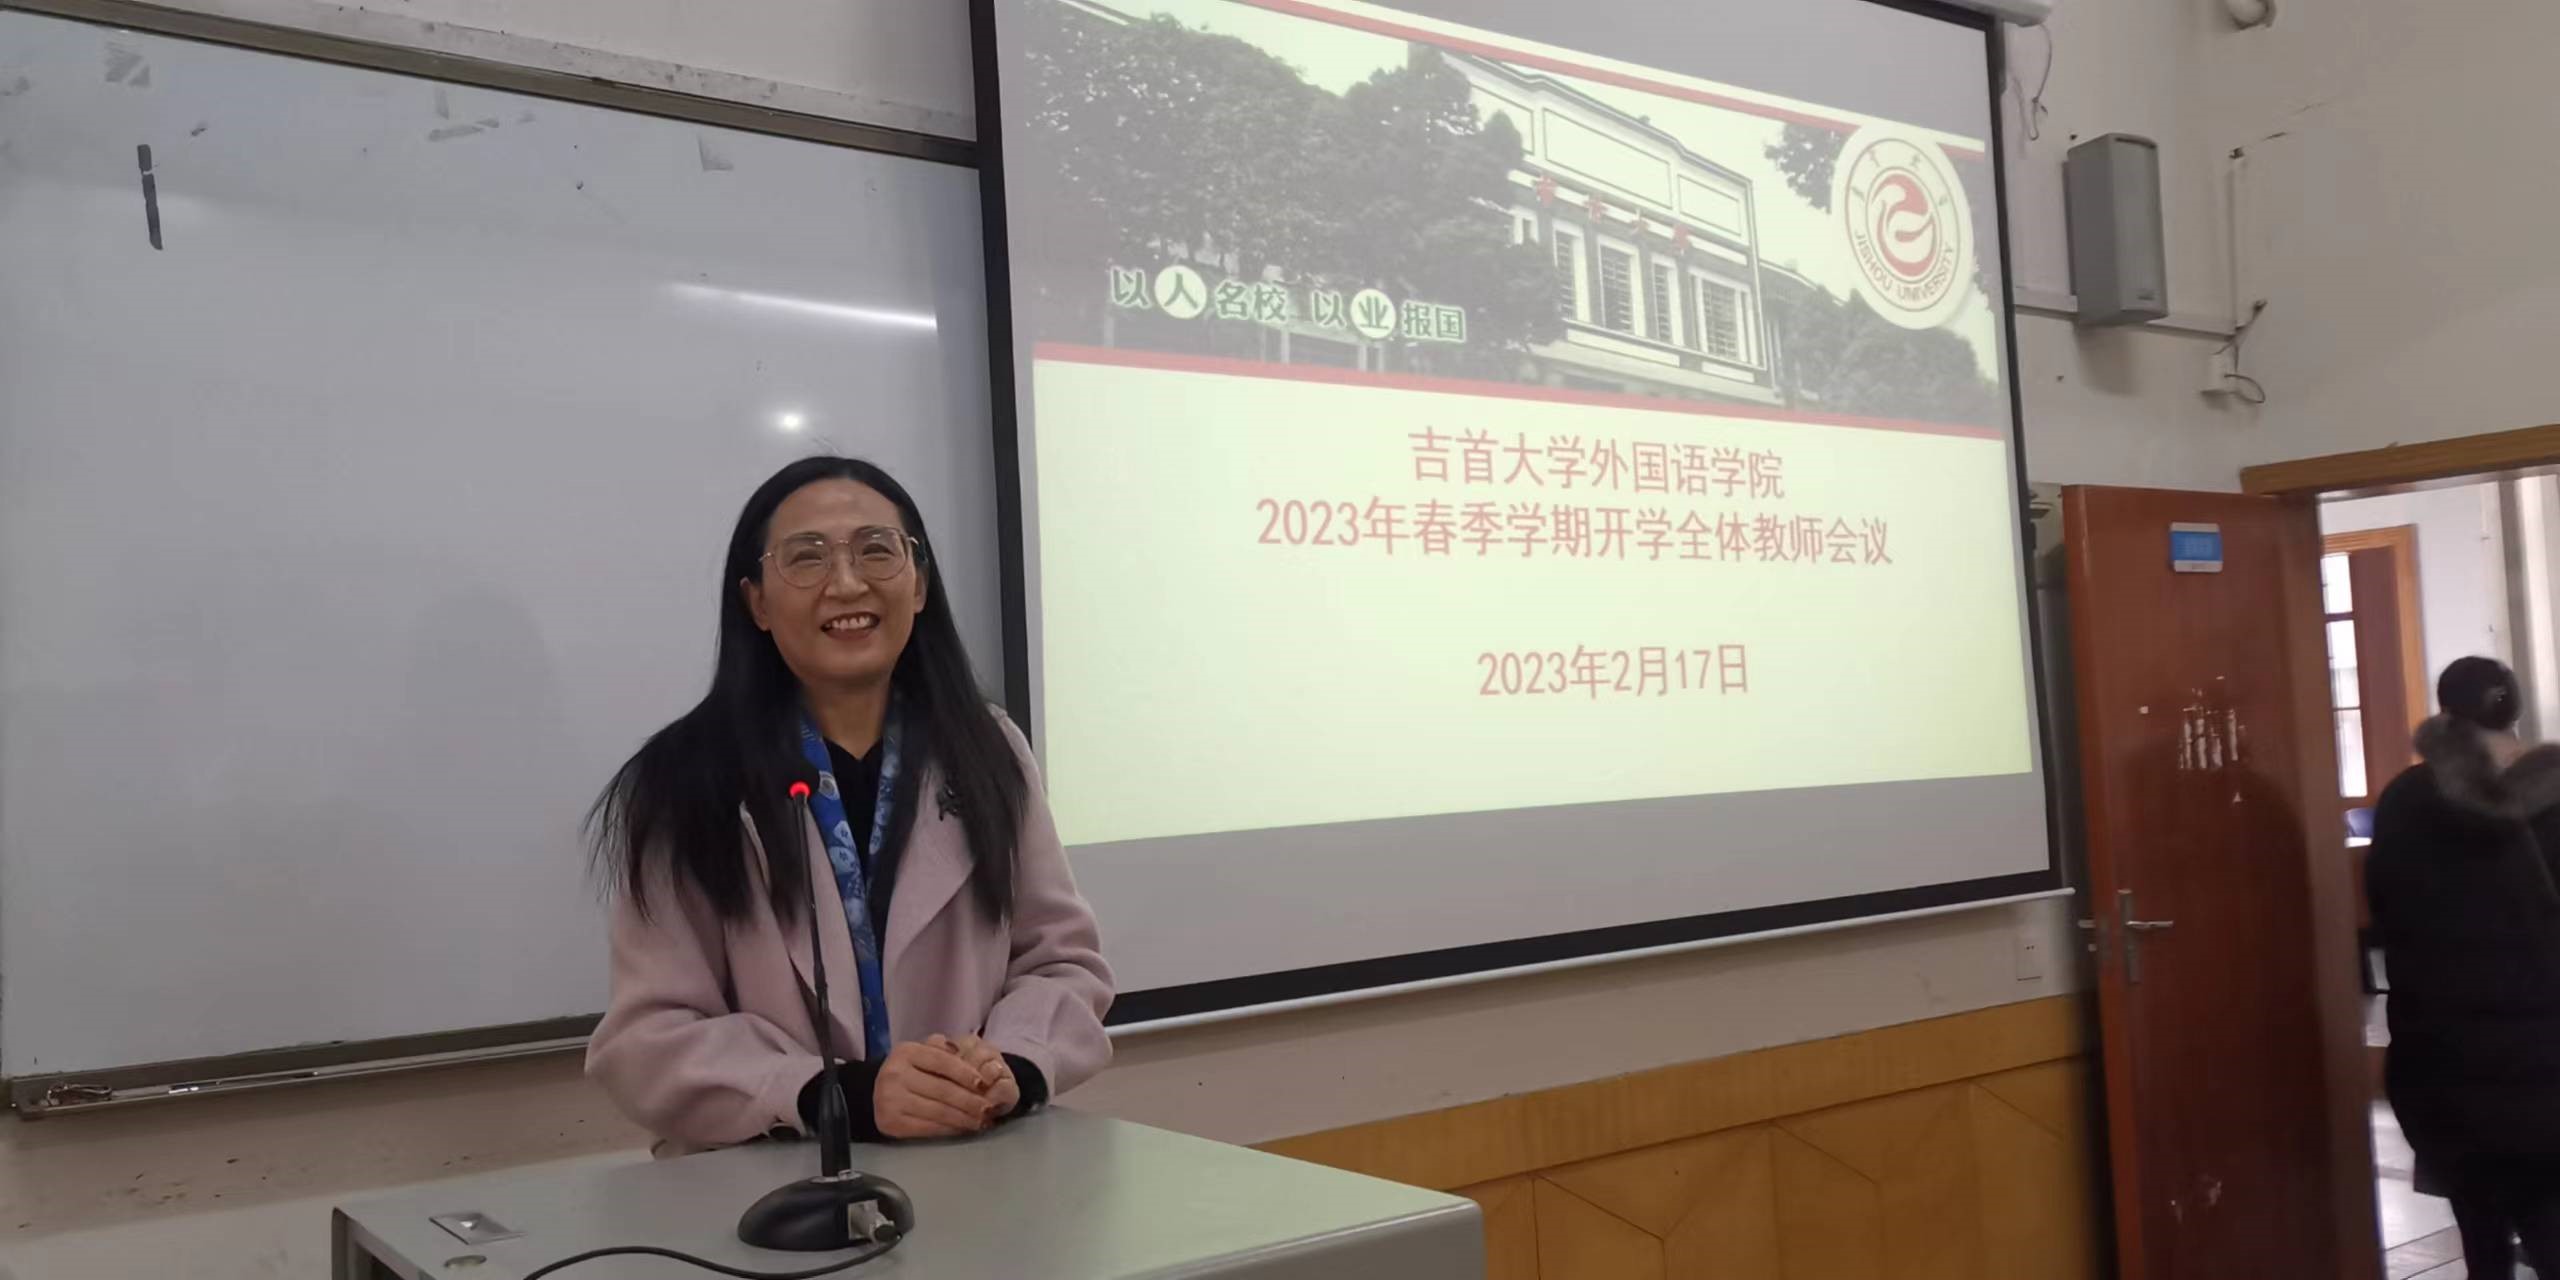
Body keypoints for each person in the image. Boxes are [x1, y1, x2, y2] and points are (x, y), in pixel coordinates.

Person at [585, 456, 1112, 1153]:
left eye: (876, 550)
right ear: (757, 603)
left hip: (973, 1159)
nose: (847, 583)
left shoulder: (988, 749)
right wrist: (835, 1095)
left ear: (918, 584)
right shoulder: (685, 779)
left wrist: (1010, 1065)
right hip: (767, 1178)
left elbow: (1061, 963)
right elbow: (647, 1041)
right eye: (807, 557)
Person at [2367, 656, 2560, 1278]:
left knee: (2480, 1234)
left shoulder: (2403, 802)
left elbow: (2386, 915)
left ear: (2446, 712)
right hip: (2545, 1060)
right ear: (2516, 709)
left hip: (2440, 1062)